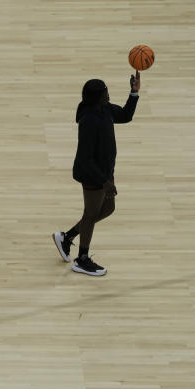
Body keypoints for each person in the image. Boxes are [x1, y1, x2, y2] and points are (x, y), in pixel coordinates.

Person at [53, 71, 141, 276]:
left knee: (108, 208)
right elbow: (85, 159)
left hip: (105, 172)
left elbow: (126, 116)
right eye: (105, 92)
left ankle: (68, 236)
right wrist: (104, 181)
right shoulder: (89, 121)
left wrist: (134, 93)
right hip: (92, 174)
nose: (109, 94)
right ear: (97, 97)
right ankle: (82, 259)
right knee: (91, 213)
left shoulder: (105, 109)